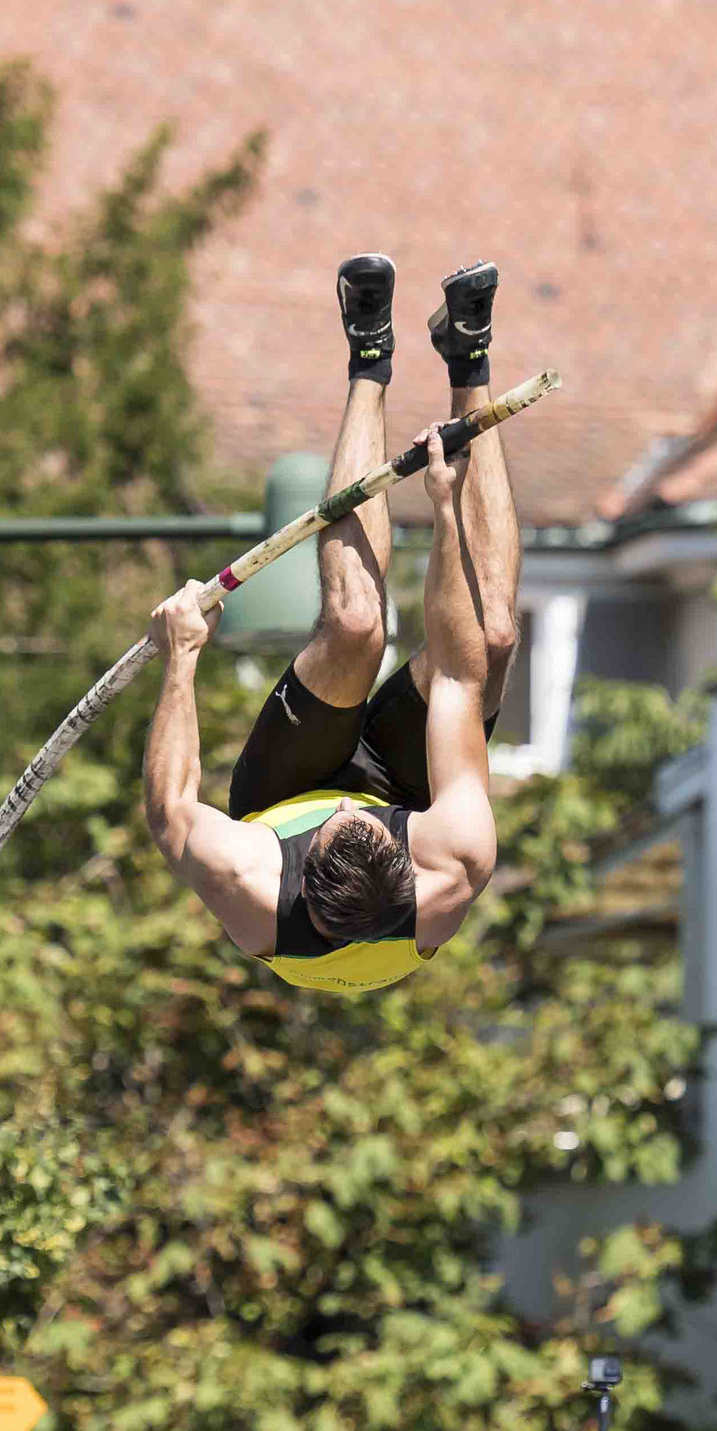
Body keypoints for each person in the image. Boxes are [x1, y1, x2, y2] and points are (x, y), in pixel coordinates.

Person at [143, 257, 520, 994]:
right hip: (410, 797)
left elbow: (169, 810)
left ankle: (369, 358)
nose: (349, 801)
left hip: (282, 788)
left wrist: (180, 655)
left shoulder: (252, 885)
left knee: (353, 628)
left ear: (303, 872)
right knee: (495, 636)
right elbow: (454, 670)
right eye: (365, 819)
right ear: (403, 853)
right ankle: (469, 355)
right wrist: (445, 510)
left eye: (338, 821)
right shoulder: (452, 862)